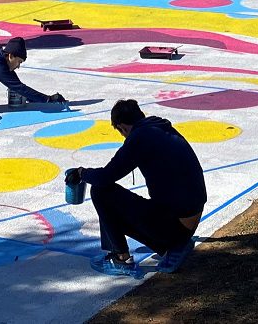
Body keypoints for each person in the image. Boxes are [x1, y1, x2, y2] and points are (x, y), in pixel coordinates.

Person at [78, 99, 206, 277]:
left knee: (101, 191)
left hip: (177, 228)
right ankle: (175, 241)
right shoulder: (161, 127)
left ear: (122, 127)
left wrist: (82, 173)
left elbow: (104, 177)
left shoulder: (139, 138)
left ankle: (121, 258)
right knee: (111, 194)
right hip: (191, 217)